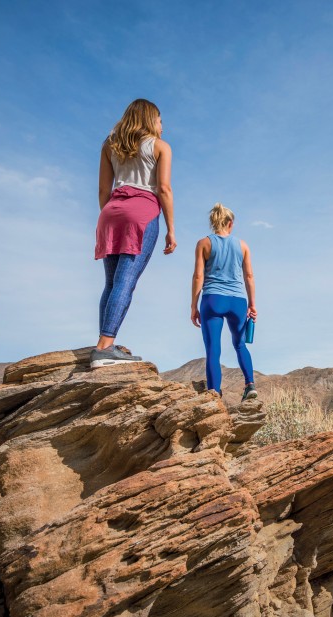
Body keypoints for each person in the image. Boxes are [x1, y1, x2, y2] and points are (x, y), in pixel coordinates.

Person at [91, 99, 176, 368]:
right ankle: (105, 348)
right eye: (161, 121)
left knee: (111, 283)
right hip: (142, 212)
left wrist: (112, 214)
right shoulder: (160, 147)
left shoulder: (110, 144)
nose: (163, 127)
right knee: (126, 280)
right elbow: (163, 189)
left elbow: (104, 190)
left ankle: (104, 342)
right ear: (151, 120)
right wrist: (171, 229)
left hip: (111, 211)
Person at [191, 203, 258, 400]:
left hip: (213, 299)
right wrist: (252, 304)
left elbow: (198, 277)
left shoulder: (203, 243)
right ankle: (250, 385)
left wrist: (193, 306)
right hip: (238, 300)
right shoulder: (243, 245)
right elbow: (249, 277)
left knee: (213, 348)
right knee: (240, 345)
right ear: (229, 223)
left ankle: (214, 393)